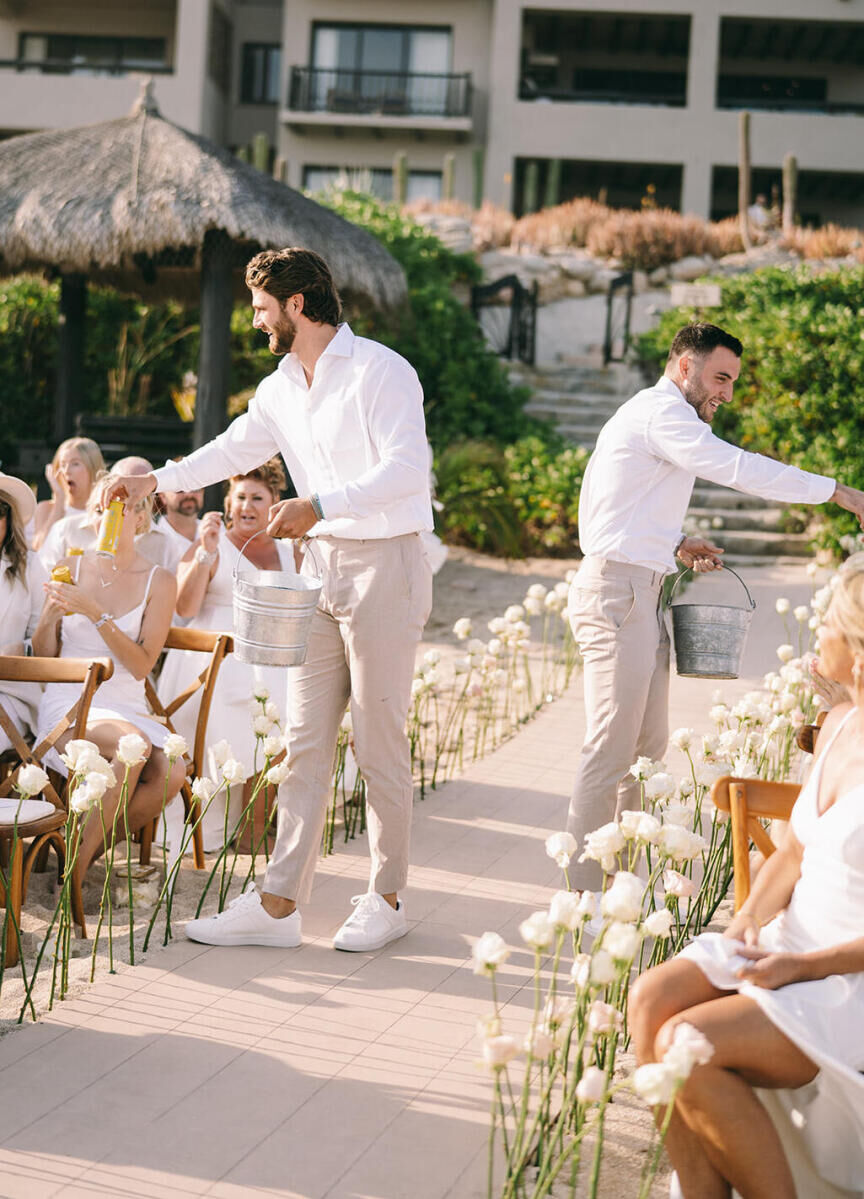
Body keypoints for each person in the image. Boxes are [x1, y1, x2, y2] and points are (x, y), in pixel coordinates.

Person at [102, 246, 433, 952]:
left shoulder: (381, 370)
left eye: (261, 309)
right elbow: (225, 450)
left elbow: (408, 471)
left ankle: (388, 896)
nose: (256, 322)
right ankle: (279, 905)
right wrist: (152, 479)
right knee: (304, 742)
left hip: (385, 563)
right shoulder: (281, 387)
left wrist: (319, 503)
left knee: (379, 741)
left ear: (298, 305)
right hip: (319, 572)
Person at [568, 322, 864, 893]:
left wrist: (673, 543)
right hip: (616, 594)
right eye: (719, 377)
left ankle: (620, 886)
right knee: (609, 750)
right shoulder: (663, 414)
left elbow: (617, 506)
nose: (726, 393)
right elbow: (738, 467)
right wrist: (839, 492)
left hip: (642, 589)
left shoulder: (660, 418)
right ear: (685, 367)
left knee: (645, 753)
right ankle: (582, 898)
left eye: (732, 380)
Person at [629, 554, 864, 1198]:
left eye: (829, 625)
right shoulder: (841, 724)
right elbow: (791, 853)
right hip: (788, 944)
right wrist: (747, 921)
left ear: (862, 649)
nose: (816, 635)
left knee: (687, 1044)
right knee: (650, 1002)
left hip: (843, 980)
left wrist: (800, 968)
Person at [32, 480, 185, 879]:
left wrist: (96, 611)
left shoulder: (161, 581)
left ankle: (81, 853)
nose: (111, 515)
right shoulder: (71, 564)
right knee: (130, 745)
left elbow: (139, 666)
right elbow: (45, 656)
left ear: (141, 517)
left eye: (124, 507)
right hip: (72, 699)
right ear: (95, 514)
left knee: (174, 771)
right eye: (104, 507)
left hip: (126, 701)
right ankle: (77, 872)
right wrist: (48, 618)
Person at [157, 459, 295, 852]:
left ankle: (255, 828)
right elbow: (184, 606)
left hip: (269, 659)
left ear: (274, 503)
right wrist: (205, 552)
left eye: (257, 497)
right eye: (240, 497)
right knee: (244, 710)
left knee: (285, 710)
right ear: (228, 502)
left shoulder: (290, 552)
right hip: (211, 664)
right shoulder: (211, 543)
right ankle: (222, 825)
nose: (247, 505)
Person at [0, 472, 48, 750]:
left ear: (9, 518)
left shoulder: (31, 566)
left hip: (11, 694)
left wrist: (20, 649)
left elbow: (45, 646)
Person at [33, 437, 105, 556]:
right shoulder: (46, 509)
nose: (66, 471)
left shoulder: (105, 513)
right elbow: (40, 552)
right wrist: (59, 501)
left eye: (75, 464)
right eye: (62, 464)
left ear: (93, 468)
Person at [155, 469, 204, 573]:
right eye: (180, 490)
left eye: (195, 488)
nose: (189, 494)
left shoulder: (219, 531)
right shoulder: (151, 539)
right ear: (163, 496)